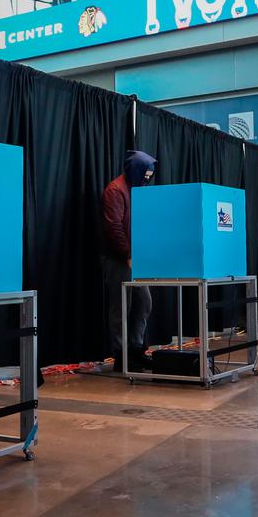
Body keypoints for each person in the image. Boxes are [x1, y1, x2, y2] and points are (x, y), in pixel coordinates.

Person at [101, 150, 157, 371]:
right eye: (145, 174)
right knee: (121, 307)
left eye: (150, 175)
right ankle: (121, 355)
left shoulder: (138, 190)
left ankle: (136, 349)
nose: (148, 179)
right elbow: (113, 227)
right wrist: (128, 255)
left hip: (136, 258)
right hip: (118, 258)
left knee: (144, 303)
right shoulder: (115, 190)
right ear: (136, 170)